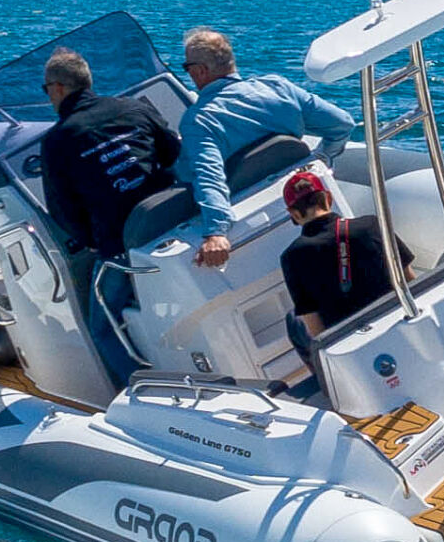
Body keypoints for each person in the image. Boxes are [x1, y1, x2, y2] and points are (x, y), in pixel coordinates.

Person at [38, 45, 181, 386]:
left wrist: (93, 243)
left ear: (58, 88)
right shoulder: (132, 108)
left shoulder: (58, 141)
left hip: (121, 247)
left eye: (47, 89)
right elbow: (172, 152)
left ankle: (143, 390)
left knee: (102, 327)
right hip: (173, 223)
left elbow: (63, 210)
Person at [176, 28, 355, 269]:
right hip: (308, 201)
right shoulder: (277, 87)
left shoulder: (199, 120)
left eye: (187, 67)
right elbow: (342, 124)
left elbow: (209, 177)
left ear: (200, 70)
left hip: (250, 220)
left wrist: (216, 232)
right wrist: (322, 158)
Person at [279, 171, 414, 347]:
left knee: (293, 320)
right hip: (397, 321)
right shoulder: (371, 225)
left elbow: (315, 327)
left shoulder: (292, 257)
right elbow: (410, 280)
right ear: (328, 198)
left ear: (294, 214)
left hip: (351, 344)